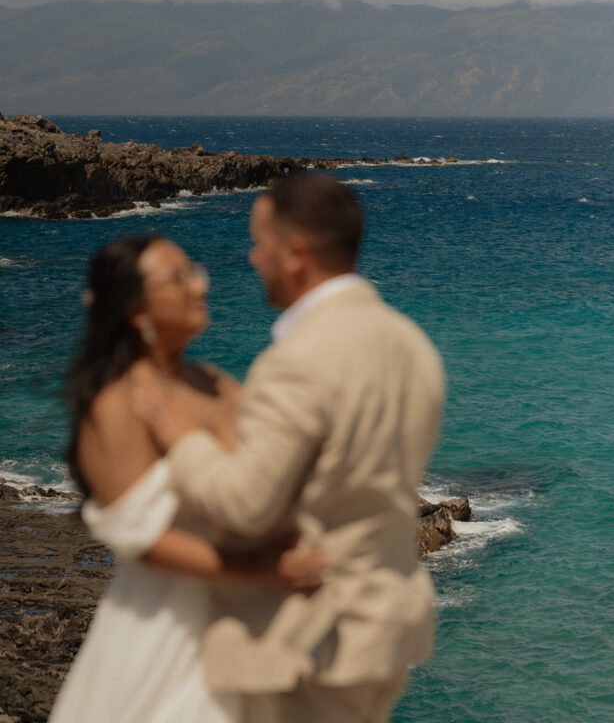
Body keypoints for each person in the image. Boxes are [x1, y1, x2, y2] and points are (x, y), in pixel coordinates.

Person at [136, 174, 445, 723]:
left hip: (314, 634)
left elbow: (246, 503)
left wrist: (177, 433)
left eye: (260, 244)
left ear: (295, 253)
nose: (252, 259)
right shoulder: (412, 345)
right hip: (389, 625)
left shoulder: (297, 362)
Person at [49, 234, 326, 723]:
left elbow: (276, 476)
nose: (201, 285)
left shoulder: (216, 382)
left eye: (194, 271)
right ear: (138, 312)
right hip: (168, 631)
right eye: (179, 278)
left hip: (257, 622)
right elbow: (144, 539)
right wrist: (260, 566)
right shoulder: (116, 404)